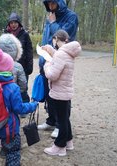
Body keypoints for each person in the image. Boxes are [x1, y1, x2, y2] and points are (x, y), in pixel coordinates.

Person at [38, 0, 79, 139]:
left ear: (60, 2)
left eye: (53, 3)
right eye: (48, 4)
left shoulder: (71, 17)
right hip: (48, 62)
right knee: (50, 94)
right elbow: (46, 39)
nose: (50, 6)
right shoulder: (51, 16)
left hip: (62, 61)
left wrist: (53, 23)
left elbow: (63, 37)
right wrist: (42, 60)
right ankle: (51, 120)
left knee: (61, 94)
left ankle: (61, 125)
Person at [42, 29, 81, 156]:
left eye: (54, 40)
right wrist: (50, 50)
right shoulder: (68, 52)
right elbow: (59, 57)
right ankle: (68, 141)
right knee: (65, 118)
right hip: (65, 90)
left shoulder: (61, 54)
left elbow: (52, 75)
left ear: (57, 39)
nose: (53, 42)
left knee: (62, 120)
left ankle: (59, 146)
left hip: (59, 92)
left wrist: (47, 64)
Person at [4, 12, 33, 103]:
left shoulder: (24, 35)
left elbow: (29, 51)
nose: (13, 25)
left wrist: (29, 66)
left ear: (19, 23)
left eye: (15, 22)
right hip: (8, 66)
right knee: (10, 87)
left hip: (22, 66)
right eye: (11, 22)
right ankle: (12, 106)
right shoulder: (5, 35)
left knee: (22, 87)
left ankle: (24, 105)